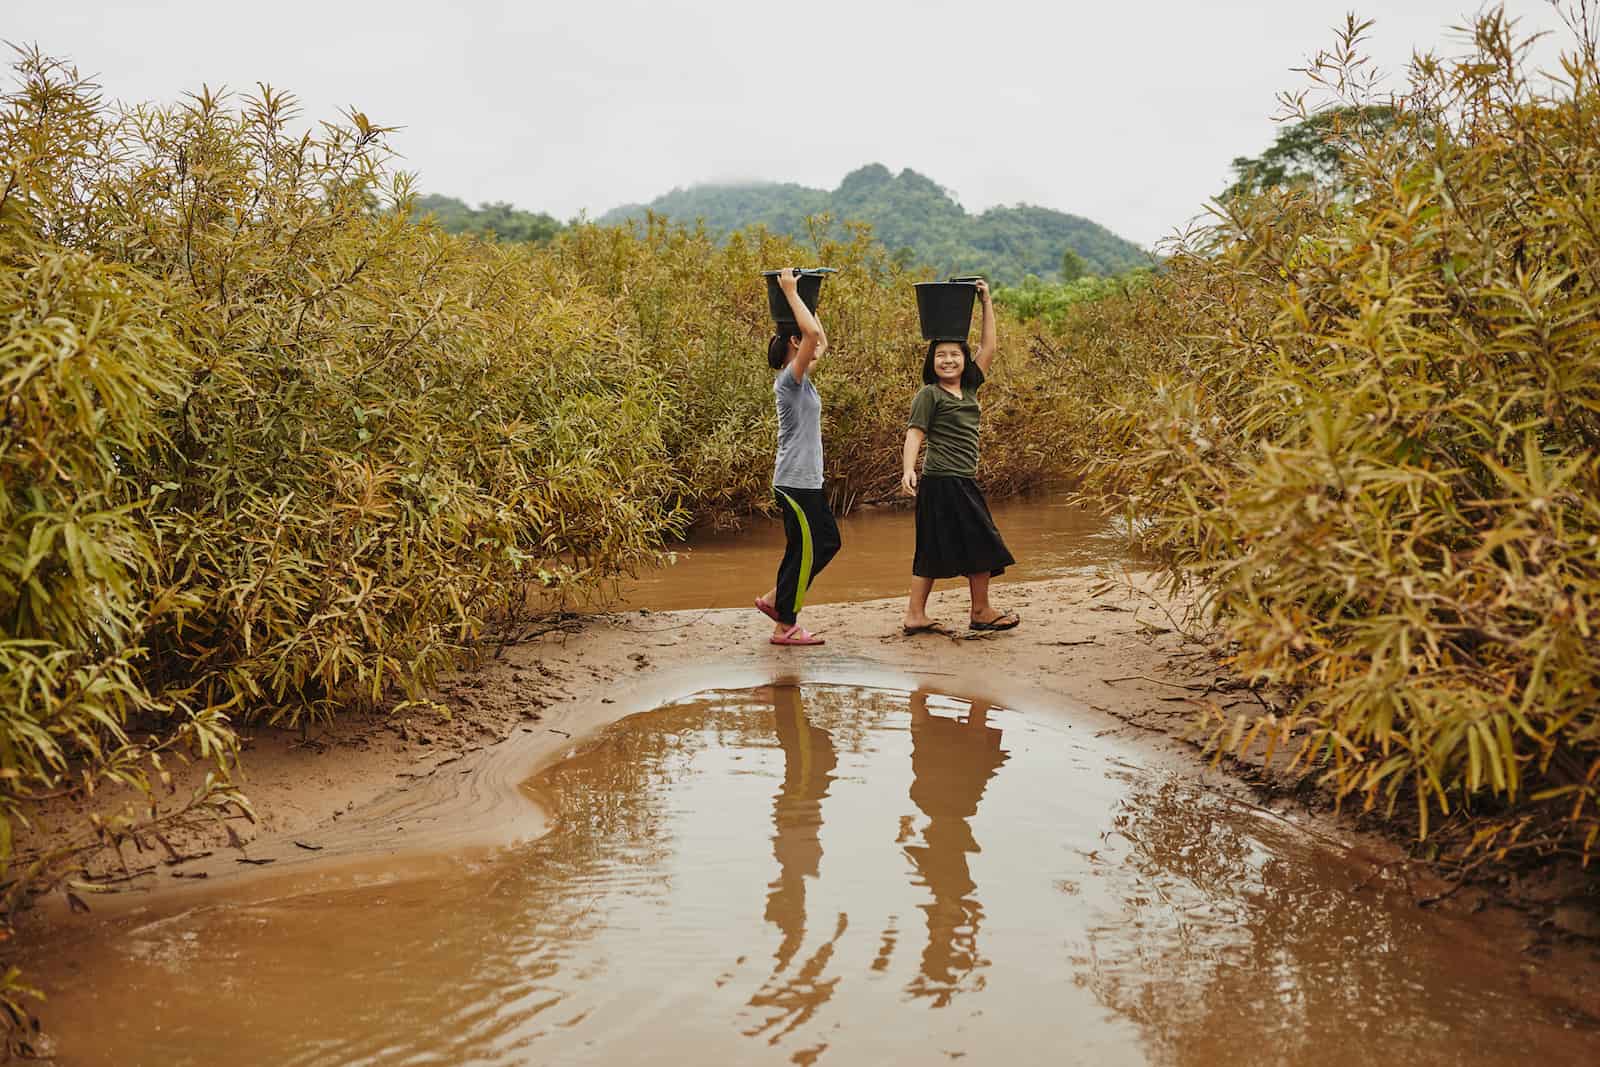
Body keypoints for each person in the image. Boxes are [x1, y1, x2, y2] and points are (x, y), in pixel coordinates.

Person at [900, 280, 1019, 633]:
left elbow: (990, 344)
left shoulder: (969, 388)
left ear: (964, 359)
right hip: (941, 482)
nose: (948, 359)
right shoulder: (929, 395)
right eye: (941, 355)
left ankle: (938, 614)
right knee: (969, 543)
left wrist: (986, 301)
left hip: (962, 480)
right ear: (931, 361)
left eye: (955, 354)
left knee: (959, 545)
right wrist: (909, 469)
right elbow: (914, 433)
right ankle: (970, 612)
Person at [755, 268, 842, 646]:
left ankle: (776, 600)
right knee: (811, 547)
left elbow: (818, 339)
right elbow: (811, 336)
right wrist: (791, 291)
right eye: (803, 340)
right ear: (794, 341)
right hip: (795, 481)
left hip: (804, 481)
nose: (812, 346)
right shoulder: (789, 382)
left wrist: (808, 299)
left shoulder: (802, 380)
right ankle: (785, 626)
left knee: (821, 544)